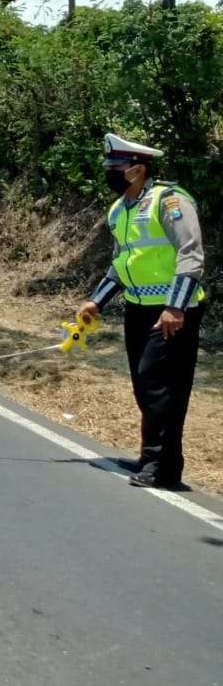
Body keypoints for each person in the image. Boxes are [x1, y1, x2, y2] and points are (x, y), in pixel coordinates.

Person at [77, 133, 206, 490]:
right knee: (144, 384)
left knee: (161, 386)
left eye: (115, 167)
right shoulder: (120, 210)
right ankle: (151, 458)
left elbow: (191, 255)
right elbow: (122, 262)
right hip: (137, 309)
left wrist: (175, 306)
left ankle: (165, 468)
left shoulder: (169, 201)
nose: (110, 173)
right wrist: (97, 300)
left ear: (136, 169)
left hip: (172, 312)